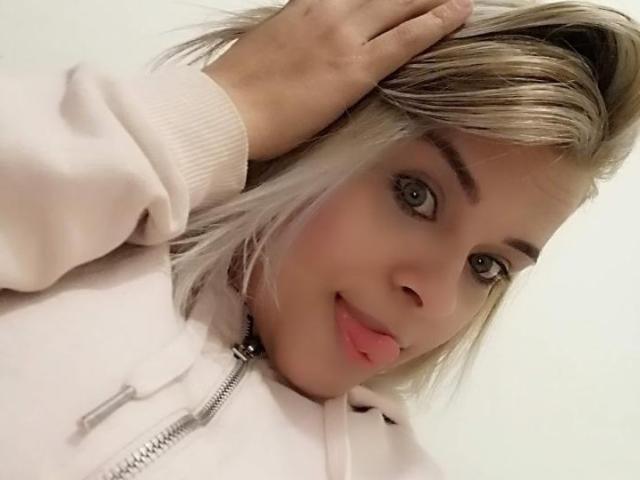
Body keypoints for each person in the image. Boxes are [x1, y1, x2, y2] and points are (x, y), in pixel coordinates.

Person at [1, 0, 639, 478]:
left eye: (487, 265)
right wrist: (227, 105)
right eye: (417, 195)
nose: (436, 297)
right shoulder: (87, 226)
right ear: (321, 131)